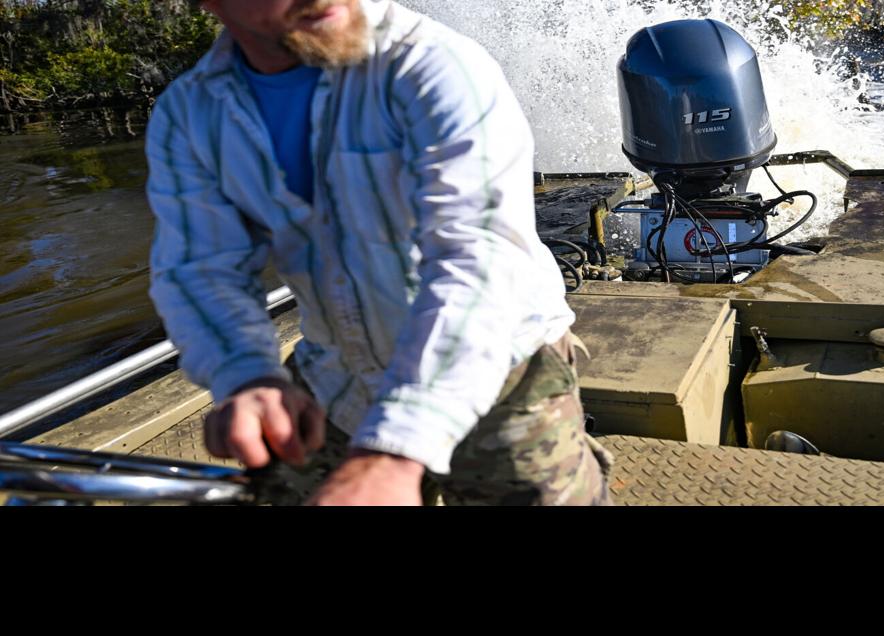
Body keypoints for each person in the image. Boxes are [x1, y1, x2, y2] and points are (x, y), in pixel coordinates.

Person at [146, 0, 610, 505]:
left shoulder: (436, 66)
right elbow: (201, 269)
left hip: (504, 374)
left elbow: (478, 259)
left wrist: (393, 453)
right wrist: (246, 374)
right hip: (339, 376)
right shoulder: (190, 114)